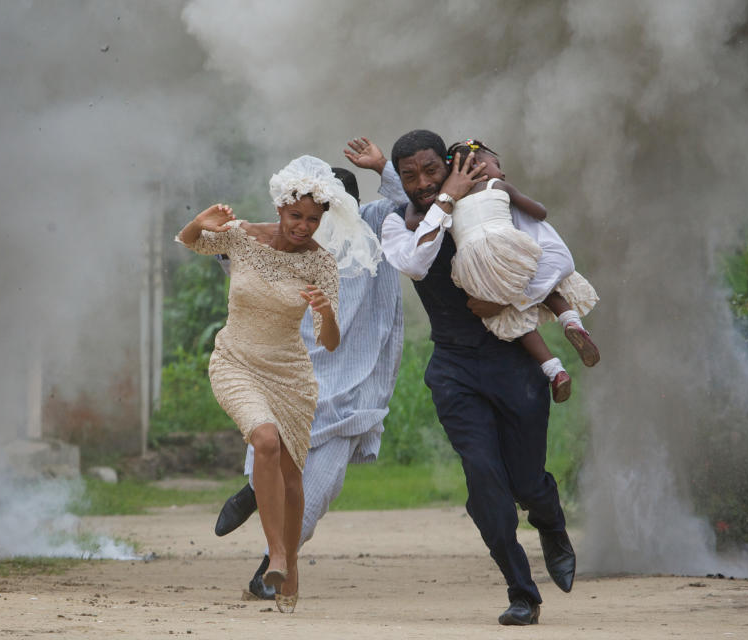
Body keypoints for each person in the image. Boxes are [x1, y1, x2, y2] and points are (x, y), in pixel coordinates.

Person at [379, 129, 576, 626]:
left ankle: (550, 522)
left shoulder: (493, 203)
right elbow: (415, 263)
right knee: (485, 481)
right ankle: (521, 591)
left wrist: (508, 298)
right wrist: (444, 201)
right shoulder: (398, 223)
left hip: (514, 362)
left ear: (449, 164)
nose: (421, 183)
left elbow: (557, 260)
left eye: (430, 171)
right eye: (409, 176)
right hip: (454, 369)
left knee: (527, 483)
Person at [176, 155, 380, 613]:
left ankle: (290, 579)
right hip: (235, 362)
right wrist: (200, 221)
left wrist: (325, 312)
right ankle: (280, 555)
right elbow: (191, 242)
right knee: (264, 439)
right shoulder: (244, 237)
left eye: (313, 219)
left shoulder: (321, 264)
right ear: (280, 208)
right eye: (296, 216)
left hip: (291, 376)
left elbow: (329, 343)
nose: (303, 226)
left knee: (291, 474)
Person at [213, 139, 407, 601]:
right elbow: (234, 260)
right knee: (268, 455)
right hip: (288, 373)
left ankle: (271, 568)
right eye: (305, 216)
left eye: (327, 215)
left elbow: (406, 203)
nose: (312, 226)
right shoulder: (286, 244)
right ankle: (251, 495)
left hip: (355, 383)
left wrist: (383, 166)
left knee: (319, 486)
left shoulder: (375, 226)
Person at [441, 138, 600, 402]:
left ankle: (554, 370)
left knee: (514, 316)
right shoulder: (497, 185)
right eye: (496, 164)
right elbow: (539, 212)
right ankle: (572, 323)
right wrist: (517, 201)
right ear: (478, 165)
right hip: (505, 244)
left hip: (472, 266)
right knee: (541, 278)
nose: (501, 172)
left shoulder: (450, 201)